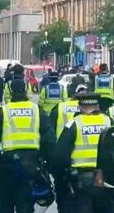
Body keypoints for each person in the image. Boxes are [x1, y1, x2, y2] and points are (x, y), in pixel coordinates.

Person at [0, 79, 55, 213]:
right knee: (26, 204)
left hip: (8, 164)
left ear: (10, 92)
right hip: (31, 163)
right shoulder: (37, 110)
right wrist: (48, 163)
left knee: (5, 202)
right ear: (26, 90)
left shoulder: (2, 112)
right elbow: (49, 140)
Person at [53, 92, 114, 213]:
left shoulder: (74, 123)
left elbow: (59, 155)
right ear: (97, 106)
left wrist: (60, 176)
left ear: (80, 106)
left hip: (83, 180)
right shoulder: (108, 121)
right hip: (106, 179)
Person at [48, 84, 88, 212]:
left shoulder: (59, 108)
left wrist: (52, 167)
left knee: (66, 201)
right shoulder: (104, 118)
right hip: (96, 172)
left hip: (66, 162)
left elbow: (49, 134)